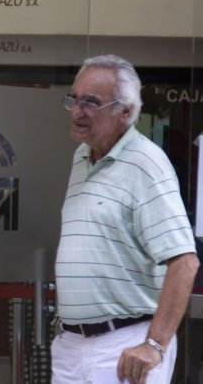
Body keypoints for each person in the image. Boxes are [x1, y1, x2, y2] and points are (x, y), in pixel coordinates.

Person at [52, 54, 200, 384]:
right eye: (75, 99)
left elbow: (185, 262)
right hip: (72, 347)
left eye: (92, 102)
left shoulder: (146, 163)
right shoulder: (82, 157)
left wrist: (154, 345)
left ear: (125, 112)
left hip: (125, 346)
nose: (77, 111)